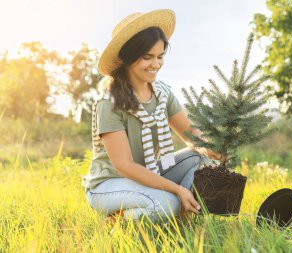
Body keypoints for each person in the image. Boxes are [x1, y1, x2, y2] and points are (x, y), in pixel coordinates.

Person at [82, 9, 223, 223]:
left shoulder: (162, 93)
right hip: (109, 185)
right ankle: (118, 222)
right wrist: (177, 190)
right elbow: (125, 166)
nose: (155, 64)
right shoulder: (108, 103)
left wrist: (212, 147)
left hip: (149, 174)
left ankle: (180, 220)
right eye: (147, 57)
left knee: (200, 157)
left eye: (160, 56)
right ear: (128, 58)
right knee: (168, 203)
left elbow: (191, 134)